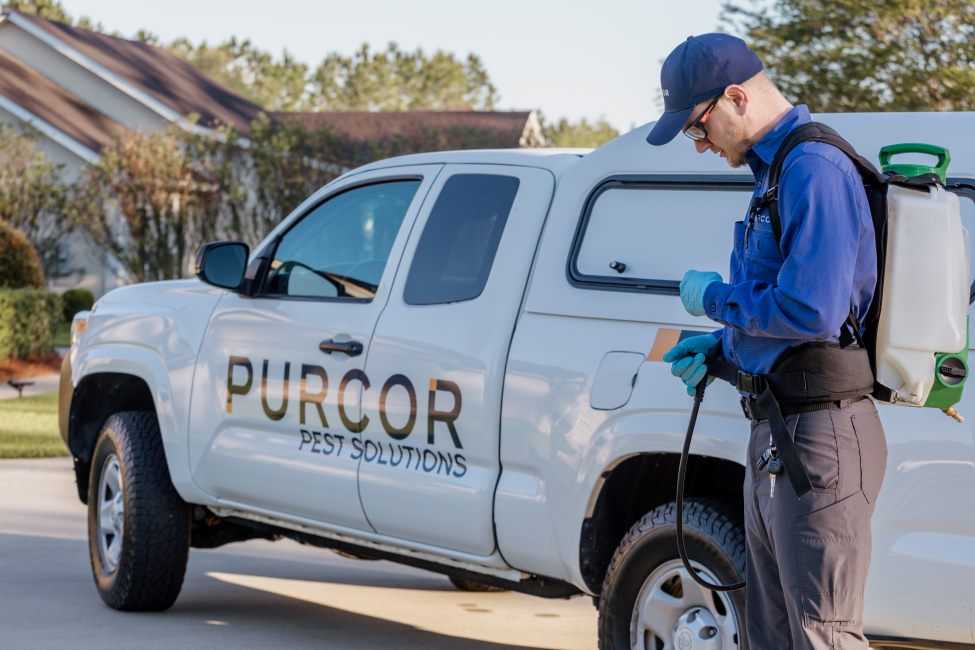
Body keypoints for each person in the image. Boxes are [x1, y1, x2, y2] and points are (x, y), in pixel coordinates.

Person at [648, 33, 888, 649]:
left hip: (821, 438)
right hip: (780, 430)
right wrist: (723, 351)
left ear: (734, 97)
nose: (699, 145)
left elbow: (811, 310)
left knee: (821, 636)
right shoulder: (774, 174)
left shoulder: (814, 168)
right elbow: (780, 312)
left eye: (698, 128)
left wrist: (714, 298)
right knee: (771, 634)